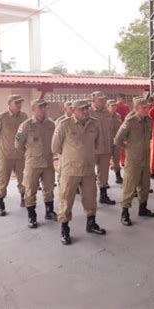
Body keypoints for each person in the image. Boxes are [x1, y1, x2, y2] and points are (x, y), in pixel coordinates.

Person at [51, 99, 106, 245]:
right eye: (82, 109)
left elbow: (98, 143)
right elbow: (55, 147)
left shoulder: (94, 123)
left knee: (90, 198)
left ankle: (91, 223)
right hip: (70, 170)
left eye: (87, 108)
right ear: (73, 110)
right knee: (66, 200)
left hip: (88, 169)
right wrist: (71, 156)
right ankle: (65, 229)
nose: (86, 111)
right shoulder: (64, 125)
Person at [115, 97, 154, 226]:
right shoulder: (130, 122)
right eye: (144, 108)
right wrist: (129, 148)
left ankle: (143, 209)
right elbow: (117, 140)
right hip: (133, 160)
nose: (147, 110)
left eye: (147, 107)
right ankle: (125, 213)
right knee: (129, 186)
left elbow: (149, 137)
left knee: (145, 185)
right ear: (136, 108)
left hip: (145, 158)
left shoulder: (148, 120)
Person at [15, 99, 56, 229]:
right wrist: (30, 154)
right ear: (33, 109)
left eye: (45, 107)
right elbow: (18, 145)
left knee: (49, 189)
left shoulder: (51, 124)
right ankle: (32, 216)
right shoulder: (26, 125)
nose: (44, 110)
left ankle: (49, 211)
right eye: (41, 107)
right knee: (30, 190)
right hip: (33, 163)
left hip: (48, 163)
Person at [0, 94, 28, 216]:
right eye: (16, 103)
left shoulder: (24, 116)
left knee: (23, 178)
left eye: (20, 102)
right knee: (2, 179)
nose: (19, 105)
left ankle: (24, 198)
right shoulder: (1, 118)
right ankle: (0, 203)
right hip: (5, 155)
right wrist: (4, 144)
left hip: (20, 154)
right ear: (9, 104)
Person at [89, 91, 116, 205]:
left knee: (104, 173)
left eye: (104, 99)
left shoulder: (106, 112)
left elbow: (110, 129)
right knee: (89, 174)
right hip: (92, 149)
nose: (103, 101)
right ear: (93, 100)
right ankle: (89, 198)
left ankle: (103, 196)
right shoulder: (88, 112)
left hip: (105, 148)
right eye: (100, 100)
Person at [107, 99, 123, 184]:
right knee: (105, 162)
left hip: (116, 141)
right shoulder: (104, 116)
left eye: (115, 106)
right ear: (107, 106)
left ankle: (118, 176)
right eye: (112, 106)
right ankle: (104, 181)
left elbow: (120, 128)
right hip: (107, 141)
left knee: (117, 159)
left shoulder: (118, 116)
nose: (114, 107)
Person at [116, 94, 130, 167]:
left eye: (124, 98)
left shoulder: (126, 106)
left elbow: (128, 116)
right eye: (123, 98)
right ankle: (116, 161)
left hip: (125, 127)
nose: (124, 100)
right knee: (117, 145)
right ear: (119, 98)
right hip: (117, 128)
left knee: (124, 144)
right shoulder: (115, 106)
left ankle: (124, 160)